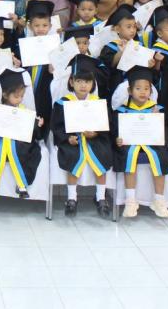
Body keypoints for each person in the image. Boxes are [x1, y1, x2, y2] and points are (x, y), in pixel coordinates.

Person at [51, 55, 112, 217]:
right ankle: (72, 198)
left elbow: (107, 124)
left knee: (102, 155)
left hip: (95, 139)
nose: (83, 85)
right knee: (72, 156)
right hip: (73, 140)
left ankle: (100, 197)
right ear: (71, 82)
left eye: (87, 82)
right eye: (79, 81)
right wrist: (67, 138)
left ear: (93, 84)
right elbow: (57, 126)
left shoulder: (98, 102)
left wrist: (96, 132)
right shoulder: (63, 102)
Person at [113, 65, 168, 218]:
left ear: (151, 92)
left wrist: (156, 119)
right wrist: (118, 139)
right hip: (130, 144)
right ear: (130, 91)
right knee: (128, 155)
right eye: (138, 88)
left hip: (152, 144)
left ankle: (159, 200)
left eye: (147, 89)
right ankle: (130, 201)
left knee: (160, 156)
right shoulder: (122, 110)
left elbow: (165, 133)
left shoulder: (157, 109)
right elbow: (116, 131)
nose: (143, 92)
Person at [0, 68, 44, 198]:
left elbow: (32, 133)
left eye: (22, 96)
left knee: (23, 152)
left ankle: (22, 185)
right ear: (5, 95)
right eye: (16, 96)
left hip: (19, 142)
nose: (20, 99)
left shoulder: (24, 111)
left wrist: (37, 125)